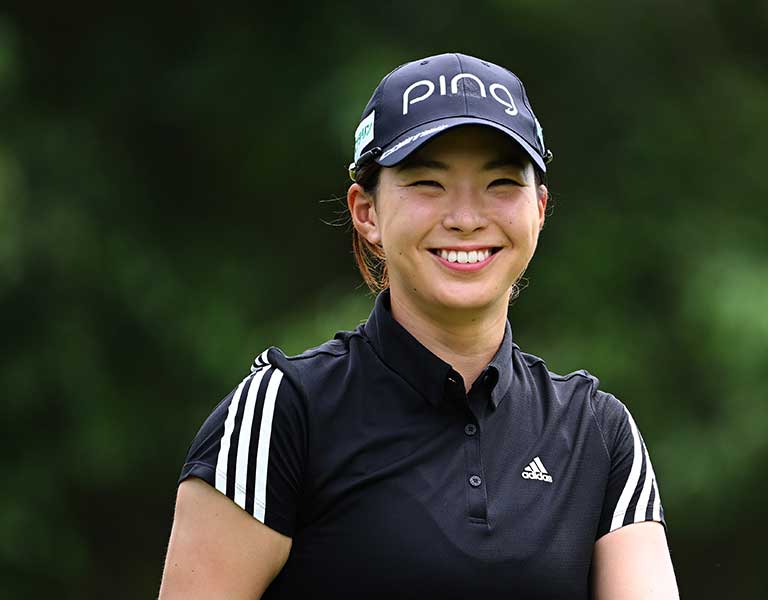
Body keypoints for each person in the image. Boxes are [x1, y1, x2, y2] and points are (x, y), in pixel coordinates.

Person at [158, 52, 679, 600]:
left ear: (540, 209)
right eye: (428, 184)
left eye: (501, 182)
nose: (465, 218)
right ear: (367, 212)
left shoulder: (597, 432)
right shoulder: (284, 413)